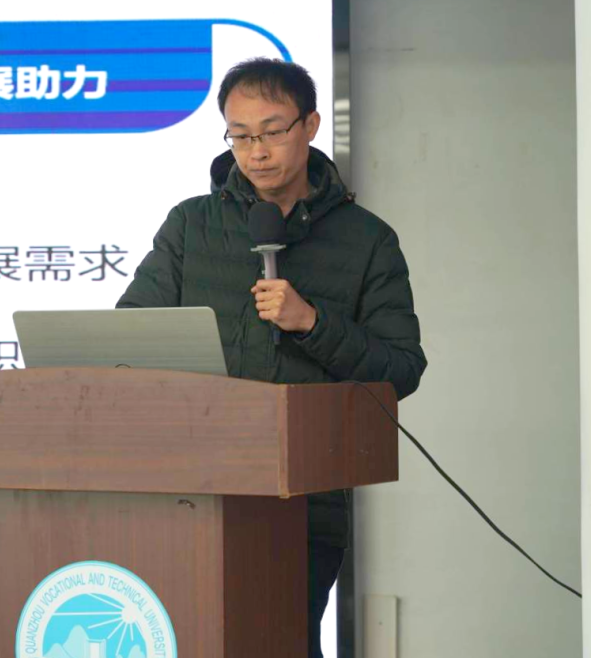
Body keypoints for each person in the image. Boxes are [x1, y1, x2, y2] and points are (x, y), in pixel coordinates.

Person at [116, 57, 427, 657]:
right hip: (187, 492)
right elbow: (131, 335)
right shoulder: (191, 225)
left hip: (303, 506)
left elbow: (402, 369)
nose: (255, 152)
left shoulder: (367, 240)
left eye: (271, 131)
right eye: (239, 136)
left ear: (310, 125)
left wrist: (313, 323)